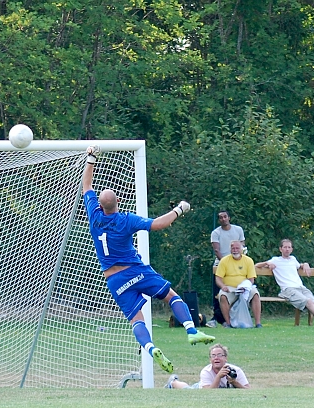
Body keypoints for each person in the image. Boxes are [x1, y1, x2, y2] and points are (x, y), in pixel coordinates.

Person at [82, 146, 215, 374]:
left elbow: (87, 185)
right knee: (171, 296)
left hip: (114, 280)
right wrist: (179, 209)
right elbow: (158, 224)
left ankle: (151, 347)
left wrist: (91, 159)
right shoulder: (126, 220)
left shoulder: (94, 216)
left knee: (137, 320)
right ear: (119, 201)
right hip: (135, 271)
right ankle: (192, 330)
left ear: (100, 205)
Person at [254, 239, 314, 327]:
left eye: (289, 247)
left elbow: (300, 265)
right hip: (288, 289)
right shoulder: (275, 260)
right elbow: (256, 266)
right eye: (285, 247)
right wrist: (267, 263)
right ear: (280, 249)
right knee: (308, 302)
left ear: (291, 249)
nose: (287, 249)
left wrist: (305, 264)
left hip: (300, 287)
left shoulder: (293, 259)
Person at [208, 211, 245, 327]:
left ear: (229, 217)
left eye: (225, 217)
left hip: (238, 264)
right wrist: (226, 263)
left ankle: (234, 319)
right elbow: (217, 250)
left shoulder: (238, 230)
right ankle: (217, 318)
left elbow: (241, 246)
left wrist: (236, 261)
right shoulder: (216, 233)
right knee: (218, 293)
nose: (223, 219)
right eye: (220, 218)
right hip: (220, 265)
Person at [214, 240, 262, 328]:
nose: (235, 250)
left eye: (237, 248)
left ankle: (258, 323)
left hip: (244, 288)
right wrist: (223, 286)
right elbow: (218, 278)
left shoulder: (248, 261)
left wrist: (245, 287)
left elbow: (251, 279)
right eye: (233, 248)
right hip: (229, 288)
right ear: (230, 250)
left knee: (255, 294)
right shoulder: (224, 261)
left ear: (242, 250)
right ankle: (228, 324)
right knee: (223, 296)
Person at [165, 344, 250, 389]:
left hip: (214, 386)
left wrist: (234, 382)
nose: (216, 358)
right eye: (213, 356)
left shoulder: (236, 370)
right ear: (210, 360)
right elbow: (208, 392)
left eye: (220, 355)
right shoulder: (206, 371)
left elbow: (248, 390)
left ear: (225, 358)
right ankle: (173, 382)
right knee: (188, 389)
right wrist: (219, 376)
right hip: (202, 387)